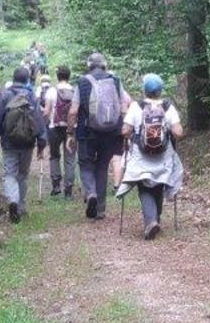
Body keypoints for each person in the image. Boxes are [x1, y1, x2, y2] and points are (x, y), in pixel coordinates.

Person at [117, 73, 184, 240]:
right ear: (160, 90)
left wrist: (131, 132)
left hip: (141, 157)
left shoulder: (137, 106)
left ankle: (151, 221)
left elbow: (125, 131)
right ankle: (155, 220)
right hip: (163, 156)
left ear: (144, 90)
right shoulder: (167, 107)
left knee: (144, 187)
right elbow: (178, 132)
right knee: (159, 184)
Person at [67, 52, 130, 220]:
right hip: (111, 132)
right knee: (102, 167)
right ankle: (100, 209)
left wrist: (70, 133)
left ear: (89, 65)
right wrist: (125, 129)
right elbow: (124, 107)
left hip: (87, 133)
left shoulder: (82, 82)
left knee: (86, 165)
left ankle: (91, 193)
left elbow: (73, 111)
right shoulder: (115, 81)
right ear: (104, 65)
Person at [0, 67, 47, 224]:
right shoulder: (31, 96)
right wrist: (41, 141)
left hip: (9, 142)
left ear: (13, 78)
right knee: (23, 175)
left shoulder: (5, 95)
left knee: (10, 174)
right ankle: (20, 207)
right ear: (28, 80)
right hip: (27, 143)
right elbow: (38, 120)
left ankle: (12, 200)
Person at [44, 66, 75, 197]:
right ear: (69, 76)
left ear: (57, 77)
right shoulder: (74, 91)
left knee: (54, 156)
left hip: (54, 128)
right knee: (70, 159)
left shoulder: (51, 91)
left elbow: (46, 112)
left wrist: (44, 123)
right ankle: (68, 189)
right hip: (71, 129)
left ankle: (56, 186)